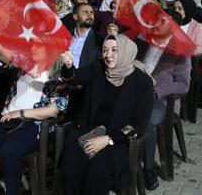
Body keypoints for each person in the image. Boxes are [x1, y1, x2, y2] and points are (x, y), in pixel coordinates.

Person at [60, 35, 154, 195]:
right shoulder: (99, 68)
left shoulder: (142, 82)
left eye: (114, 50)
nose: (108, 55)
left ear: (126, 51)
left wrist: (107, 140)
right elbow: (74, 77)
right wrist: (68, 66)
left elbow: (138, 125)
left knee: (96, 173)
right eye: (104, 50)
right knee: (70, 168)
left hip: (118, 140)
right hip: (88, 130)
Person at [0, 42, 68, 195]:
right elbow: (0, 55)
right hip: (7, 116)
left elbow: (53, 110)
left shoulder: (57, 76)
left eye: (39, 46)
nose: (33, 49)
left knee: (9, 149)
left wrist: (22, 113)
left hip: (34, 123)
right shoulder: (22, 67)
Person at [137, 39, 191, 191]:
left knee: (146, 121)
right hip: (139, 94)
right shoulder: (144, 42)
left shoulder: (181, 51)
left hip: (163, 100)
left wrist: (157, 90)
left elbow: (183, 84)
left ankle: (148, 169)